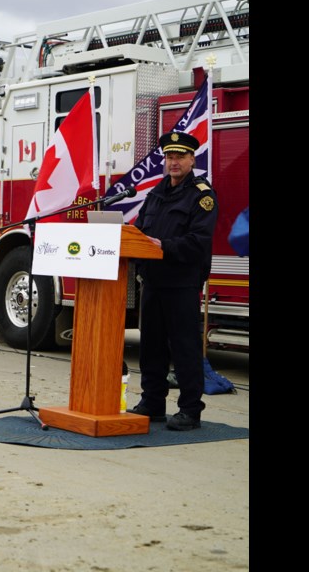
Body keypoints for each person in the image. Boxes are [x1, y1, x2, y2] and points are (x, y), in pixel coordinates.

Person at [130, 131, 218, 430]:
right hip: (153, 281)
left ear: (192, 159)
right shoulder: (156, 192)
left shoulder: (202, 195)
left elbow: (198, 242)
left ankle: (190, 410)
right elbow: (139, 229)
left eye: (180, 156)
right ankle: (152, 402)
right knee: (151, 346)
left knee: (184, 348)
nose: (173, 162)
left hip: (182, 283)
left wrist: (162, 245)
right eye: (169, 156)